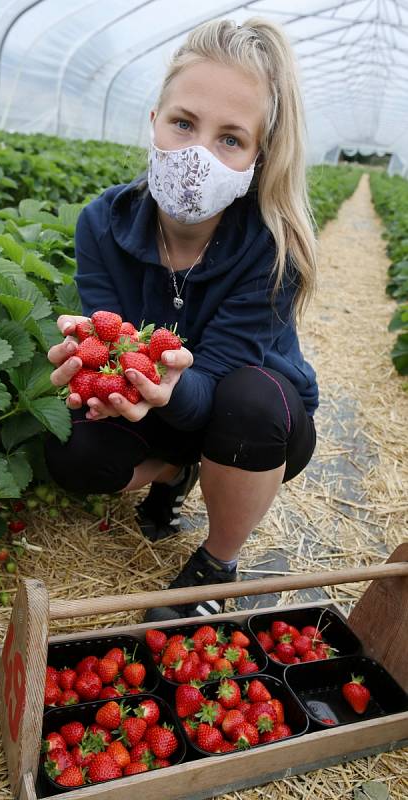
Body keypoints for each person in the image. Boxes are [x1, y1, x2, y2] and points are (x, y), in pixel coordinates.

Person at [45, 17, 319, 623]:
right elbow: (110, 342)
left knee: (246, 402)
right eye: (184, 123)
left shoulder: (274, 247)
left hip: (252, 423)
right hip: (160, 407)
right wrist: (99, 368)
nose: (198, 154)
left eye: (230, 138)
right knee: (72, 454)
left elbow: (215, 379)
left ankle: (217, 562)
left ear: (256, 158)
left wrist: (162, 385)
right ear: (154, 121)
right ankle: (176, 470)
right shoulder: (103, 223)